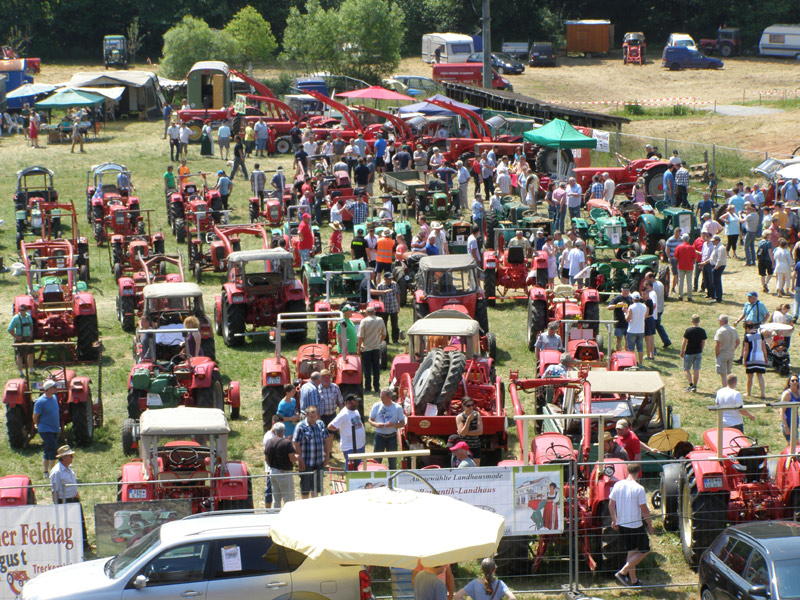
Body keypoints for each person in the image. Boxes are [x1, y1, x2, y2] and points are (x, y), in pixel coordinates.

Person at [609, 463, 653, 587]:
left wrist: (614, 519)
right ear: (639, 472)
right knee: (645, 550)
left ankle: (633, 581)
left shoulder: (618, 485)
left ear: (627, 471)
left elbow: (611, 505)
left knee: (632, 551)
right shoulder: (639, 488)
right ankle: (622, 572)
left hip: (622, 524)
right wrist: (650, 526)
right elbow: (644, 510)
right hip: (635, 525)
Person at [49, 445, 90, 552]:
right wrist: (57, 506)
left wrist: (76, 494)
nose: (72, 457)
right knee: (68, 524)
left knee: (80, 522)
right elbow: (54, 491)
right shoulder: (57, 472)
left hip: (74, 499)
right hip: (65, 501)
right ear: (63, 458)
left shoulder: (69, 468)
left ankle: (85, 545)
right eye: (70, 456)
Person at [292, 406, 331, 498]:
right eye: (311, 417)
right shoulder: (301, 427)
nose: (314, 419)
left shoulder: (321, 424)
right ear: (306, 415)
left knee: (317, 487)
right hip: (306, 462)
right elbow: (296, 444)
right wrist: (300, 461)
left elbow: (326, 441)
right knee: (305, 487)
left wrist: (327, 456)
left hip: (319, 461)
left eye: (315, 416)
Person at [368, 389, 406, 470]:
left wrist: (393, 424)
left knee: (392, 462)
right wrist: (376, 424)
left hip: (392, 438)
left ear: (390, 397)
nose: (381, 398)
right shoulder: (376, 406)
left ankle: (392, 480)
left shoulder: (397, 408)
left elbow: (402, 423)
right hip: (379, 437)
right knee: (376, 462)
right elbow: (370, 420)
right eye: (381, 396)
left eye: (383, 397)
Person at [328, 394, 366, 470]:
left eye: (357, 402)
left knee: (359, 467)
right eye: (355, 402)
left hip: (360, 445)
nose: (357, 403)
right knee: (351, 467)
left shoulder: (355, 411)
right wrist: (339, 429)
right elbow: (330, 426)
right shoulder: (343, 414)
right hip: (350, 447)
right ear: (348, 402)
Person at [264, 422, 296, 508]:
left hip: (273, 472)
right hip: (284, 473)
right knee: (288, 499)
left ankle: (275, 515)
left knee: (276, 499)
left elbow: (266, 459)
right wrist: (297, 457)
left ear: (274, 431)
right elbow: (292, 458)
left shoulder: (268, 442)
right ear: (284, 431)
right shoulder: (287, 443)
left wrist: (272, 467)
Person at [33, 379, 60, 478]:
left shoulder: (55, 398)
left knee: (47, 450)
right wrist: (37, 425)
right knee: (53, 449)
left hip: (54, 429)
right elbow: (35, 417)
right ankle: (52, 472)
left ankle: (45, 472)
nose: (56, 388)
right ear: (48, 389)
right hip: (45, 430)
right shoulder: (41, 402)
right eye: (54, 387)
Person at [358, 306, 386, 393]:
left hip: (366, 348)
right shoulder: (380, 320)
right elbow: (384, 334)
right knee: (376, 368)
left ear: (366, 313)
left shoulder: (364, 321)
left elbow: (361, 336)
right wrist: (379, 342)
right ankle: (377, 387)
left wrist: (359, 347)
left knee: (367, 369)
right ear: (374, 312)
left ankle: (368, 387)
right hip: (376, 348)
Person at [681, 314, 706, 392]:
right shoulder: (702, 331)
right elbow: (703, 342)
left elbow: (684, 342)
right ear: (699, 321)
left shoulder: (688, 330)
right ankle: (695, 386)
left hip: (689, 352)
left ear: (692, 321)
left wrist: (682, 350)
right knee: (696, 370)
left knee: (686, 369)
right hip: (698, 352)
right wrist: (701, 349)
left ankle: (690, 384)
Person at [743, 321, 768, 398]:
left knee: (750, 376)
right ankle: (762, 393)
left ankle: (749, 392)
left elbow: (746, 350)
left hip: (751, 358)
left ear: (747, 328)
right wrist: (765, 357)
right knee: (760, 376)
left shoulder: (747, 336)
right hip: (760, 357)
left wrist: (744, 360)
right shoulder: (760, 335)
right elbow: (764, 347)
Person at [456, 397, 483, 465]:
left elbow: (480, 431)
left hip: (476, 446)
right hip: (465, 448)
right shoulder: (459, 417)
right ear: (463, 406)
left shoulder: (477, 414)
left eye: (472, 405)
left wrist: (465, 433)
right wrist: (468, 421)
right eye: (468, 406)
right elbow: (463, 434)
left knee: (476, 468)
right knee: (465, 467)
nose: (471, 407)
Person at [8, 303, 34, 376]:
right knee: (19, 355)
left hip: (28, 338)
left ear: (26, 310)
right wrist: (16, 336)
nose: (21, 311)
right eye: (20, 310)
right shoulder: (16, 318)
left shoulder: (28, 317)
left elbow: (31, 325)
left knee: (31, 353)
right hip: (20, 339)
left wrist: (31, 333)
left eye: (23, 310)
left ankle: (31, 369)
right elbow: (9, 329)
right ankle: (20, 372)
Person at [377, 272, 400, 343]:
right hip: (385, 308)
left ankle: (395, 339)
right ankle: (385, 340)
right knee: (384, 324)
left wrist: (398, 305)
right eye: (388, 279)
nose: (390, 280)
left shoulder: (395, 284)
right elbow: (378, 297)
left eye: (391, 279)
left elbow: (397, 295)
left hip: (394, 307)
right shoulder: (380, 286)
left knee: (395, 324)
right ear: (384, 279)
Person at [607, 284, 632, 350]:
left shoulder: (630, 298)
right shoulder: (617, 298)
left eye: (627, 290)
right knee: (619, 340)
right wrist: (617, 305)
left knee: (628, 340)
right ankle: (618, 353)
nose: (626, 292)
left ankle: (627, 354)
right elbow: (609, 307)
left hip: (628, 323)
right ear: (622, 290)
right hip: (619, 323)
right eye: (625, 290)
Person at [625, 292, 647, 364]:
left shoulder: (631, 307)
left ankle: (631, 363)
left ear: (632, 299)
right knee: (640, 349)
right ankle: (640, 363)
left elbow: (628, 319)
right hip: (641, 330)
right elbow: (645, 316)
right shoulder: (644, 306)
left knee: (631, 348)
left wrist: (625, 312)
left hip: (632, 330)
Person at [674, 234, 696, 301]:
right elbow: (694, 258)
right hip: (689, 266)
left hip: (681, 266)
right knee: (689, 282)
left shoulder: (679, 247)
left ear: (683, 239)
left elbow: (675, 257)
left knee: (681, 281)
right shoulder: (691, 247)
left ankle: (680, 295)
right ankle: (689, 296)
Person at [782, 376, 800, 442]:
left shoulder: (798, 393)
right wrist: (785, 426)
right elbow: (782, 411)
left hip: (795, 423)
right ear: (789, 382)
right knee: (795, 445)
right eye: (793, 380)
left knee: (793, 447)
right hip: (788, 424)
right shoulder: (787, 394)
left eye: (796, 380)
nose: (795, 382)